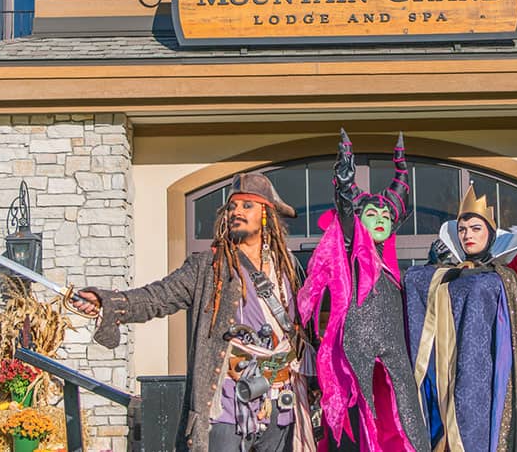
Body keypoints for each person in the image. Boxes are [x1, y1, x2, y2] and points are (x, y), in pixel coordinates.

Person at [72, 172, 316, 452]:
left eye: (247, 206)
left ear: (266, 215)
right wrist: (109, 302)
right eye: (232, 206)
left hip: (282, 398)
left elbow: (310, 328)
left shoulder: (289, 268)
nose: (236, 211)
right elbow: (158, 296)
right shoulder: (208, 267)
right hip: (228, 400)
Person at [298, 129, 430, 451]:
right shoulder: (353, 258)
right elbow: (345, 210)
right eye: (372, 214)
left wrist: (402, 169)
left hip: (394, 354)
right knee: (358, 425)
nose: (381, 219)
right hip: (355, 355)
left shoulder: (396, 274)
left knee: (405, 420)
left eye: (386, 215)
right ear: (360, 222)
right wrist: (345, 176)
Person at [404, 184, 517, 452]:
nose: (467, 235)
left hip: (485, 370)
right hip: (448, 367)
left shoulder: (501, 277)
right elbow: (414, 281)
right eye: (462, 230)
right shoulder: (449, 273)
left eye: (476, 229)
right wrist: (434, 266)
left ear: (490, 234)